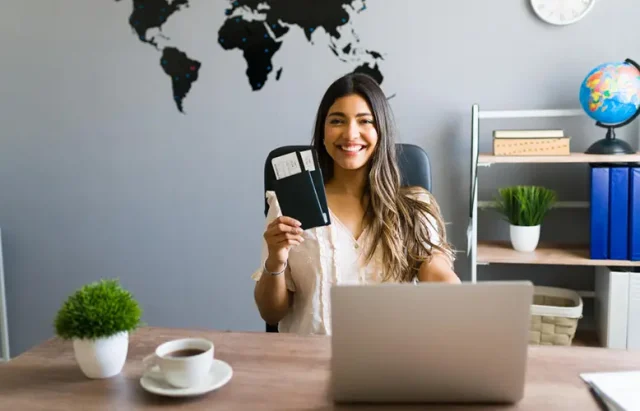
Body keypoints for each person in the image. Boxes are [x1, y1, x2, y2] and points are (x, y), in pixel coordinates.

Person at [251, 72, 460, 335]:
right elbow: (271, 313)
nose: (351, 134)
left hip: (392, 362)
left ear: (381, 131)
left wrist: (461, 300)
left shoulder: (414, 206)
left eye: (365, 121)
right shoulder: (288, 207)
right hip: (308, 362)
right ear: (323, 133)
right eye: (337, 121)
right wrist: (276, 259)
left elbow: (437, 271)